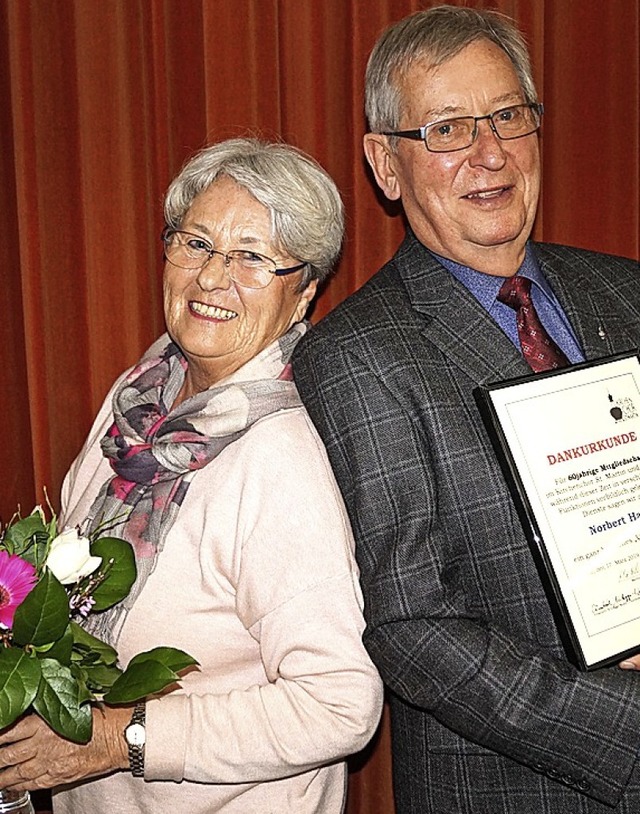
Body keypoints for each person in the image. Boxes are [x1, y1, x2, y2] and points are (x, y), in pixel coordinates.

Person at [293, 6, 640, 814]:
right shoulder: (357, 356)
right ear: (386, 164)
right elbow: (412, 627)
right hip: (520, 788)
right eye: (445, 129)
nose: (490, 154)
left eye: (509, 116)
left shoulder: (628, 292)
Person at [0, 137, 383, 813]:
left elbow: (340, 704)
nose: (211, 278)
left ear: (304, 295)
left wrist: (128, 739)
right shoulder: (139, 398)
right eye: (196, 243)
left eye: (252, 258)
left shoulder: (280, 461)